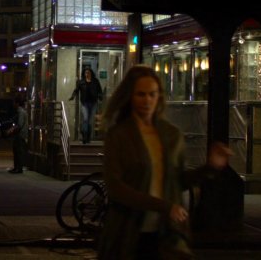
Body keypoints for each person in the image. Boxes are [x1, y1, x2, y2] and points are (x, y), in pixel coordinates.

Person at [98, 65, 233, 260]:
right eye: (141, 95)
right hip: (129, 231)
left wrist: (210, 167)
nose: (147, 101)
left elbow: (178, 180)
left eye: (152, 94)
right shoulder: (119, 135)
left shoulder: (171, 135)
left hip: (165, 232)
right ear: (130, 97)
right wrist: (163, 206)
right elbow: (116, 188)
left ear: (159, 96)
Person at [69, 67, 103, 144]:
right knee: (85, 118)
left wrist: (100, 96)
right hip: (84, 103)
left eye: (88, 72)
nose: (87, 74)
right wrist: (73, 96)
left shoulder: (95, 81)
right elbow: (76, 90)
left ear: (91, 73)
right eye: (85, 73)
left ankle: (88, 137)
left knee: (90, 121)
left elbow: (99, 90)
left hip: (93, 103)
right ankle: (84, 136)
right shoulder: (81, 82)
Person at [7, 99, 28, 174]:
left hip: (20, 135)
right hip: (21, 134)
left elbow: (19, 124)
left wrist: (11, 130)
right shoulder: (21, 112)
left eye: (14, 102)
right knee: (17, 151)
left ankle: (18, 168)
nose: (13, 104)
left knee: (18, 151)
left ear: (17, 103)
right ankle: (17, 168)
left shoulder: (20, 112)